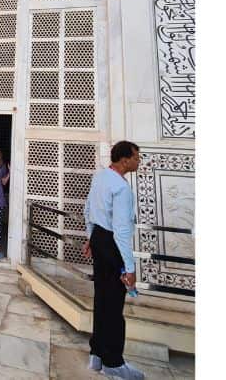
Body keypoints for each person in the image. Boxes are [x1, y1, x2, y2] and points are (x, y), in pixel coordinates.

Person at [83, 141, 144, 379]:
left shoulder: (100, 177)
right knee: (114, 306)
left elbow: (88, 209)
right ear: (124, 159)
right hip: (111, 244)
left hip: (99, 238)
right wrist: (129, 268)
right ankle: (113, 363)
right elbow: (121, 230)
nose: (139, 161)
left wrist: (90, 238)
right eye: (136, 157)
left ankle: (97, 354)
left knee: (102, 299)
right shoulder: (121, 188)